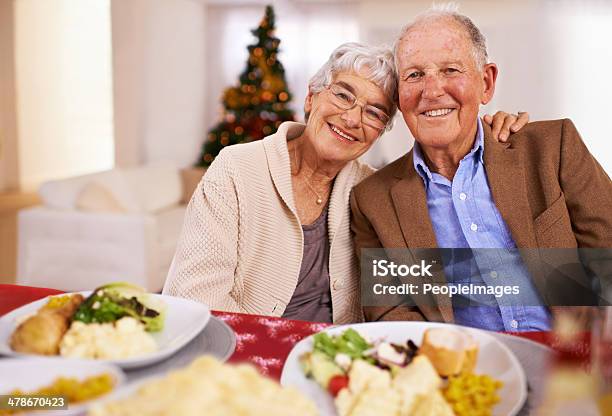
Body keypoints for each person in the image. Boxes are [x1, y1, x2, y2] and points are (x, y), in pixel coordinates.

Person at [163, 42, 528, 324]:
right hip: (245, 357)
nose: (352, 118)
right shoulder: (237, 169)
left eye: (374, 112)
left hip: (341, 364)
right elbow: (196, 301)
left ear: (380, 132)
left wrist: (487, 135)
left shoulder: (374, 191)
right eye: (342, 95)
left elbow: (434, 280)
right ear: (310, 97)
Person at [350, 6, 612, 330]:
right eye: (414, 75)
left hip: (571, 360)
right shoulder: (374, 201)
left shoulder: (552, 147)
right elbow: (392, 313)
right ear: (399, 95)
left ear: (485, 83)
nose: (431, 91)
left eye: (450, 70)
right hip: (467, 369)